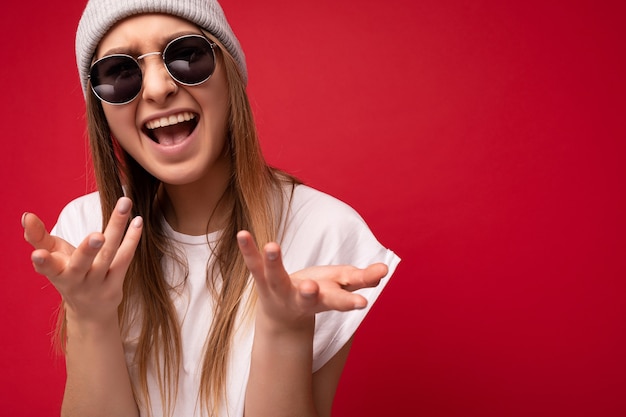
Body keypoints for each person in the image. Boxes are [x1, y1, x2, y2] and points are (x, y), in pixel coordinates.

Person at [22, 0, 401, 416]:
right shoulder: (87, 232)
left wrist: (284, 331)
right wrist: (89, 317)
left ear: (230, 73)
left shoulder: (324, 231)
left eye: (186, 55)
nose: (157, 88)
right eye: (120, 72)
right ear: (102, 111)